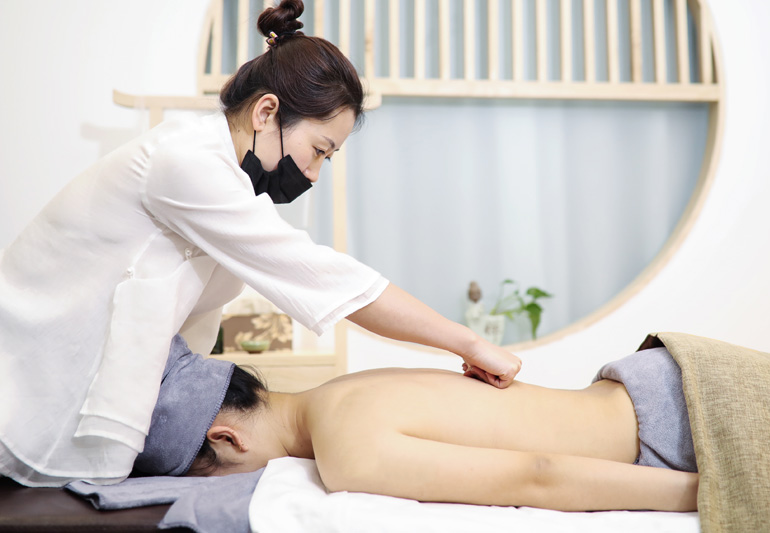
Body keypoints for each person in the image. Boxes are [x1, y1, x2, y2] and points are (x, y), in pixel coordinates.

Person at [0, 0, 519, 488]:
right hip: (25, 374)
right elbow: (322, 276)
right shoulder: (187, 163)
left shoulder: (224, 176)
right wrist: (468, 343)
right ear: (267, 112)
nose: (313, 174)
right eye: (319, 150)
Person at [134, 335, 699, 513]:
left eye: (212, 477)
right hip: (656, 379)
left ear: (226, 438)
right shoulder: (340, 391)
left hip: (681, 424)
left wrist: (711, 492)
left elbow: (539, 474)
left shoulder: (346, 450)